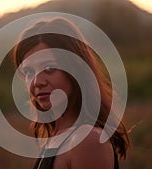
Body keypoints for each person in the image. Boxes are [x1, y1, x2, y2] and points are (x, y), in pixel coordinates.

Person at [12, 17, 129, 169]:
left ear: (76, 70)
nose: (36, 82)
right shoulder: (57, 137)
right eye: (28, 71)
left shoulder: (87, 140)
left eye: (49, 68)